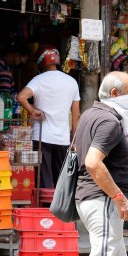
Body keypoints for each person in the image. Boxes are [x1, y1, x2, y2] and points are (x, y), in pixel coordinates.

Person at [65, 71, 128, 256]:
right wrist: (119, 199)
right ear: (114, 93)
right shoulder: (110, 121)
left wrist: (124, 162)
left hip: (92, 200)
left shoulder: (90, 115)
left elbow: (89, 153)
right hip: (102, 201)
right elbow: (92, 162)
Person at [17, 48, 81, 188]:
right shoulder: (71, 82)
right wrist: (73, 140)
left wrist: (32, 111)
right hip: (63, 139)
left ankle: (44, 209)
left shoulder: (38, 80)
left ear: (41, 63)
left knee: (43, 180)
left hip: (41, 137)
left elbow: (21, 97)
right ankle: (59, 209)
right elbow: (76, 115)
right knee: (61, 181)